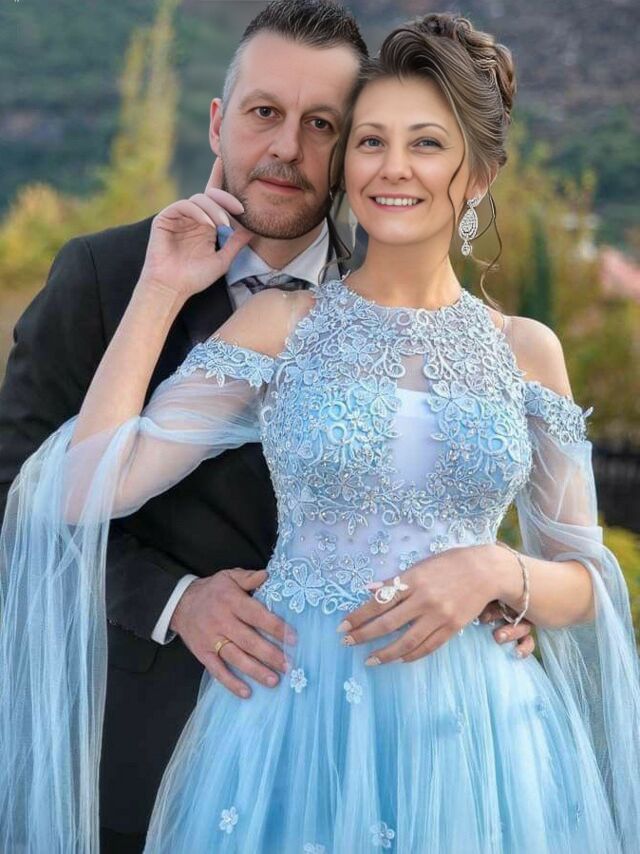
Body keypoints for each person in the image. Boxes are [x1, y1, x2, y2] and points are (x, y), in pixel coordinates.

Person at [5, 7, 620, 854]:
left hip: (479, 736)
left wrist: (499, 573)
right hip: (293, 722)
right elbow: (82, 489)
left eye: (426, 143)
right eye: (370, 141)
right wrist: (160, 287)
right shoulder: (281, 327)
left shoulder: (529, 350)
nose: (392, 166)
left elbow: (586, 578)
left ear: (477, 176)